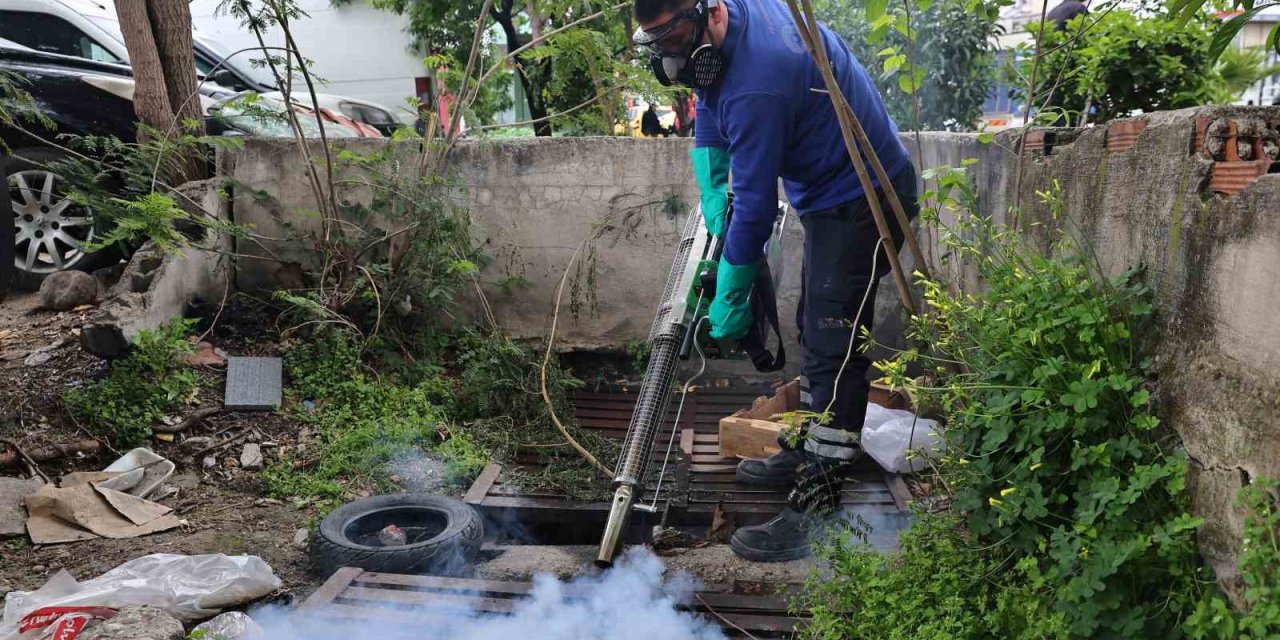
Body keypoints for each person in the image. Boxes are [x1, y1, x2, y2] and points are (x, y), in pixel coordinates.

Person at [633, 0, 918, 561]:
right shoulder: (733, 25)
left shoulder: (759, 84)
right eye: (656, 42)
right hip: (831, 195)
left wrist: (734, 287)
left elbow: (758, 208)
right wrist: (711, 171)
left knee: (833, 351)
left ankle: (816, 508)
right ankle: (815, 446)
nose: (669, 53)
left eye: (673, 36)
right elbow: (710, 99)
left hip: (866, 196)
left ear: (708, 11)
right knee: (816, 334)